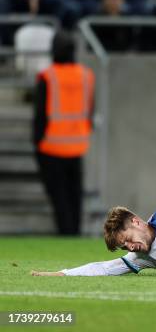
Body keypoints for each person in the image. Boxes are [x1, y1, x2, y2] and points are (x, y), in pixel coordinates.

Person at [33, 31, 95, 235]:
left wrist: (37, 141)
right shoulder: (86, 75)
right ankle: (74, 233)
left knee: (59, 196)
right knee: (74, 195)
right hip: (77, 145)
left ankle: (65, 232)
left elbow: (40, 113)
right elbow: (90, 109)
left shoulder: (48, 76)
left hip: (51, 146)